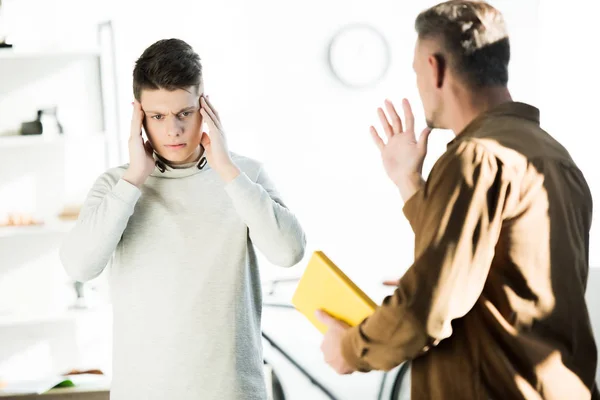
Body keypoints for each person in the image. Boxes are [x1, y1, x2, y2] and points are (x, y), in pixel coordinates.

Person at [316, 1, 599, 399]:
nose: (417, 84)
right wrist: (409, 182)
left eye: (415, 73)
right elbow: (496, 267)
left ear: (435, 67)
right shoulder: (554, 157)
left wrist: (350, 349)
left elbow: (426, 309)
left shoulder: (474, 157)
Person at [59, 38, 306, 400]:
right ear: (139, 115)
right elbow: (79, 266)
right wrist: (133, 180)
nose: (172, 129)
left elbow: (289, 252)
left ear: (204, 107)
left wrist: (225, 168)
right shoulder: (117, 185)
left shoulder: (244, 175)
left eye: (184, 113)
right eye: (157, 116)